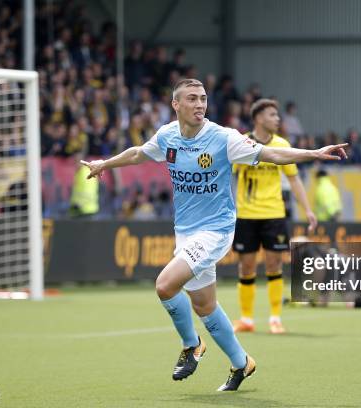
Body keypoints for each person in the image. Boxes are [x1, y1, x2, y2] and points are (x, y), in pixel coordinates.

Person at [81, 78, 347, 391]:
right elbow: (139, 153)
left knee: (165, 286)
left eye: (203, 99)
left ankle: (191, 345)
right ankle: (241, 363)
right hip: (186, 231)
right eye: (191, 99)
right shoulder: (167, 135)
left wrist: (314, 153)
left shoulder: (223, 138)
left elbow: (271, 155)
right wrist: (105, 164)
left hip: (216, 229)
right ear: (176, 105)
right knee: (205, 306)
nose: (199, 104)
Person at [231, 98, 317, 335]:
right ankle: (246, 319)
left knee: (274, 264)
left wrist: (307, 209)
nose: (277, 119)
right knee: (246, 267)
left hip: (274, 214)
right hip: (247, 214)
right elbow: (231, 175)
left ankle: (275, 318)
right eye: (272, 115)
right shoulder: (241, 143)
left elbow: (294, 178)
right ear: (259, 118)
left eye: (277, 115)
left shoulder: (282, 144)